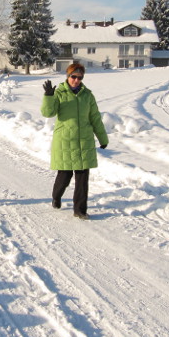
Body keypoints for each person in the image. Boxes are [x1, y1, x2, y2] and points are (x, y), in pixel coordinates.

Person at [41, 63, 108, 220]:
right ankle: (56, 197)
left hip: (84, 141)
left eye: (80, 77)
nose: (76, 80)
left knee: (82, 178)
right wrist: (49, 97)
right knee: (64, 176)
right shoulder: (59, 93)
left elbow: (95, 118)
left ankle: (80, 210)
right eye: (73, 77)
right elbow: (48, 113)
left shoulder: (88, 96)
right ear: (67, 76)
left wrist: (103, 138)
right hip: (65, 141)